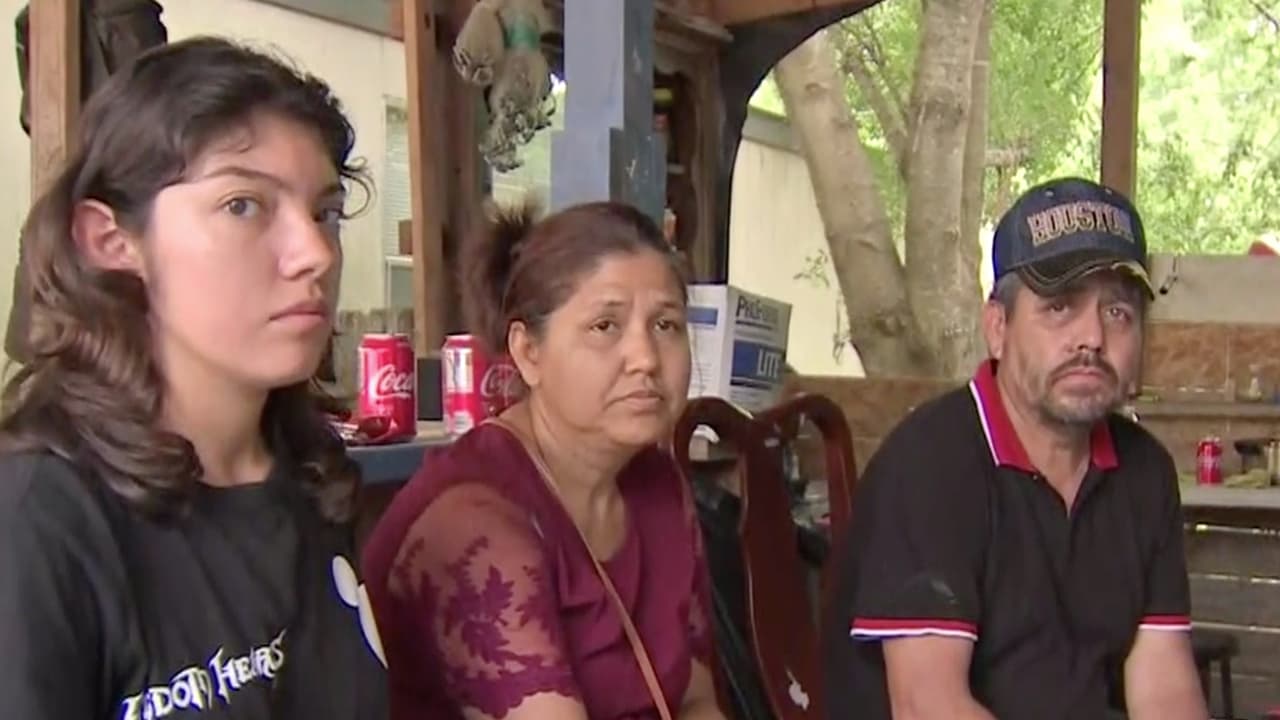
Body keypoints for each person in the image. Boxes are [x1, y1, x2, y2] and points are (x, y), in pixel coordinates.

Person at [0, 37, 387, 719]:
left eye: (324, 211)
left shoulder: (311, 478)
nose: (316, 253)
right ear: (113, 242)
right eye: (244, 205)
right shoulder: (37, 524)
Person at [822, 177, 1208, 720]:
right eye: (1059, 308)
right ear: (997, 328)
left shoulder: (1145, 471)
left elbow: (1163, 688)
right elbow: (929, 707)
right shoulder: (931, 466)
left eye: (1117, 312)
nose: (1092, 338)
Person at [362, 201, 724, 720]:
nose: (645, 357)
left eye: (666, 324)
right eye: (605, 326)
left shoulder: (658, 484)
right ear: (528, 352)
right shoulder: (473, 524)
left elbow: (695, 699)